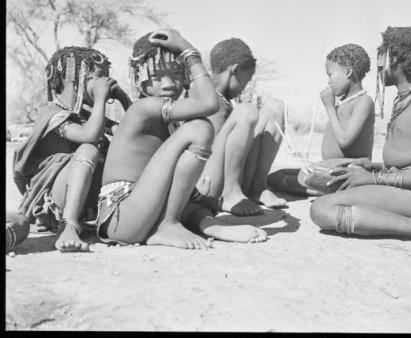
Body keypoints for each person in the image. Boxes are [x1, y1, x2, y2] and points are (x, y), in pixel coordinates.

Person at [310, 26, 411, 259]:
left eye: (382, 55)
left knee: (322, 209)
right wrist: (374, 167)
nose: (379, 64)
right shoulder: (406, 100)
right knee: (332, 188)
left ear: (395, 60)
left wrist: (373, 178)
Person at [96, 29, 267, 249]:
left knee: (199, 201)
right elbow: (209, 103)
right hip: (122, 216)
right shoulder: (142, 108)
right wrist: (190, 52)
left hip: (144, 210)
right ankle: (168, 224)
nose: (169, 84)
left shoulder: (168, 117)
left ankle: (209, 226)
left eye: (177, 74)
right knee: (200, 129)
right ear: (139, 78)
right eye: (157, 76)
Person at [12, 47, 131, 253]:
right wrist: (102, 99)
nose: (105, 83)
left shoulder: (90, 115)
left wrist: (124, 99)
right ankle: (68, 225)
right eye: (98, 77)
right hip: (57, 199)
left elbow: (133, 137)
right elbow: (89, 136)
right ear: (73, 81)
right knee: (88, 150)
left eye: (107, 78)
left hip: (88, 200)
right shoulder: (51, 113)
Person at [188, 38, 287, 217]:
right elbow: (206, 149)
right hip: (207, 183)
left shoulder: (222, 98)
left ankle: (258, 187)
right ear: (235, 70)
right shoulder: (204, 95)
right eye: (245, 80)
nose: (244, 87)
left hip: (226, 172)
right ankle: (230, 192)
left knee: (275, 107)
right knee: (246, 112)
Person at [268, 44, 375, 196]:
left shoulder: (364, 101)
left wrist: (330, 107)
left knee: (284, 180)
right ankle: (322, 186)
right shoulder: (343, 103)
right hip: (329, 168)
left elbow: (345, 140)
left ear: (348, 72)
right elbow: (337, 135)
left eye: (330, 75)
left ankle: (326, 188)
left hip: (347, 171)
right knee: (276, 176)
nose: (328, 82)